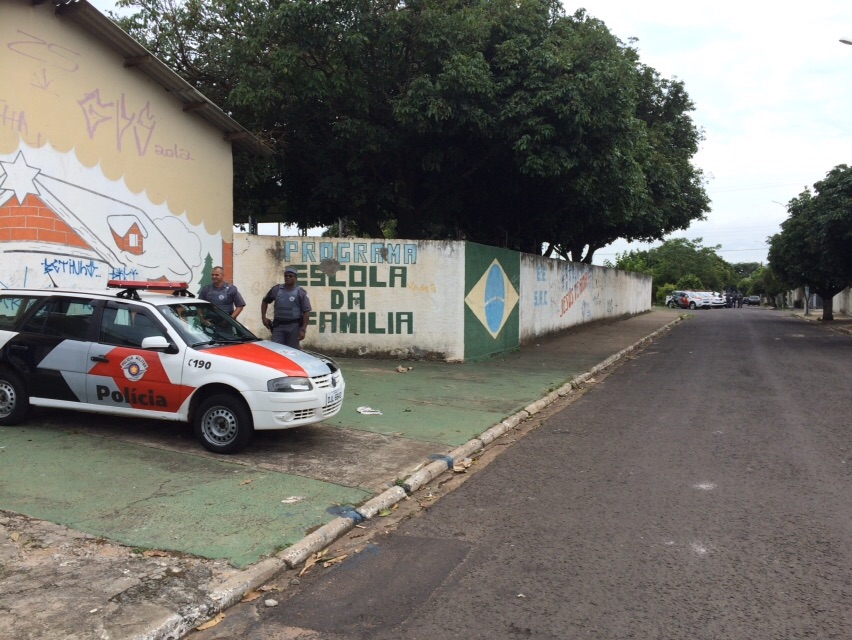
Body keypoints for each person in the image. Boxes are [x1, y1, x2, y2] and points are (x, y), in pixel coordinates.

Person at [261, 266, 312, 348]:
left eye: (290, 276)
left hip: (294, 326)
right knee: (276, 350)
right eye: (286, 276)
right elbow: (265, 301)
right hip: (278, 326)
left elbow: (306, 312)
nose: (287, 278)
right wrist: (263, 317)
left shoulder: (300, 292)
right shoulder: (277, 289)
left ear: (295, 278)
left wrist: (303, 329)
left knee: (292, 351)